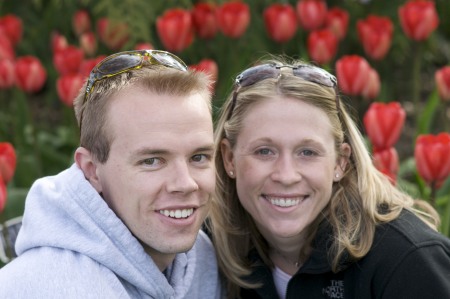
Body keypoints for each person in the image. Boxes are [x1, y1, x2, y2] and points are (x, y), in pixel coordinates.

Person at [208, 57, 450, 299]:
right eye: (264, 151)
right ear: (229, 159)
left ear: (340, 161)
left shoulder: (407, 262)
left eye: (307, 152)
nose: (286, 175)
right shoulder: (209, 251)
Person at [0, 50, 223, 298]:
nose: (185, 183)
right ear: (91, 170)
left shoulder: (201, 258)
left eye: (199, 157)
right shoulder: (52, 288)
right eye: (151, 161)